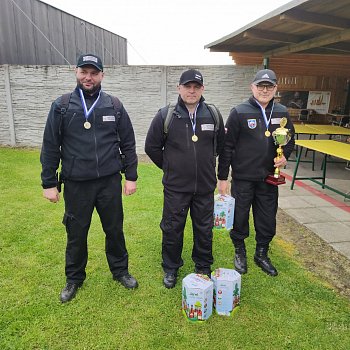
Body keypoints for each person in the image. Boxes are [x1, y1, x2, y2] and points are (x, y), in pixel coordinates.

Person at [40, 53, 139, 303]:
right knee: (76, 233)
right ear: (76, 72)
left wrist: (131, 177)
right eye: (84, 72)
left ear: (102, 75)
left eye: (94, 73)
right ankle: (74, 278)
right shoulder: (62, 105)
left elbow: (128, 142)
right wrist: (49, 183)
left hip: (108, 182)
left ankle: (120, 271)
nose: (88, 77)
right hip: (76, 184)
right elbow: (50, 145)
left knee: (114, 230)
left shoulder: (114, 105)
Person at [145, 69, 225, 288]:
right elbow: (151, 147)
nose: (192, 91)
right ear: (179, 88)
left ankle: (202, 266)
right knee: (172, 228)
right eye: (187, 86)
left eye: (196, 87)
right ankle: (171, 267)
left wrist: (216, 172)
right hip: (176, 188)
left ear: (202, 89)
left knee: (204, 228)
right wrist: (170, 168)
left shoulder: (213, 114)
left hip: (205, 188)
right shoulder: (166, 115)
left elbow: (222, 147)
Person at [217, 69, 295, 277]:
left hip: (269, 178)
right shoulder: (239, 111)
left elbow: (290, 139)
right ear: (252, 87)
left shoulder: (282, 112)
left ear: (276, 89)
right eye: (260, 85)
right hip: (243, 178)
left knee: (267, 218)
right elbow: (227, 147)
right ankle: (240, 251)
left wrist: (284, 156)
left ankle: (261, 253)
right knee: (240, 216)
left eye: (269, 86)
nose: (264, 90)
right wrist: (223, 178)